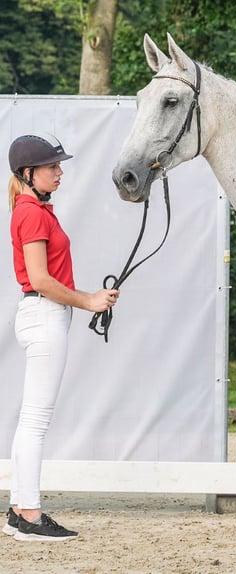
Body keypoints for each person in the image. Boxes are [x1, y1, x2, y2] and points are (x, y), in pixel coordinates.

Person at [2, 133, 119, 542]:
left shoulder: (34, 209)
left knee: (30, 420)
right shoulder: (32, 213)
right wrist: (87, 300)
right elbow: (40, 280)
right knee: (36, 422)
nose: (59, 171)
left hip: (43, 313)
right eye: (52, 166)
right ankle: (30, 514)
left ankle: (19, 510)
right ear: (29, 173)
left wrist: (89, 298)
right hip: (45, 314)